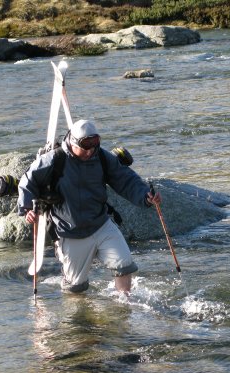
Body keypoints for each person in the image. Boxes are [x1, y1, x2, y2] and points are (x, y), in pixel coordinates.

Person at [18, 119, 161, 293]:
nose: (90, 151)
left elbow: (125, 179)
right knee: (75, 288)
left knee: (124, 265)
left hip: (101, 225)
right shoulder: (54, 160)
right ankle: (78, 318)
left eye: (94, 146)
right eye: (86, 147)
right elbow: (27, 181)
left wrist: (146, 196)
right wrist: (26, 209)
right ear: (72, 142)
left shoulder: (101, 157)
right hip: (70, 232)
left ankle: (124, 307)